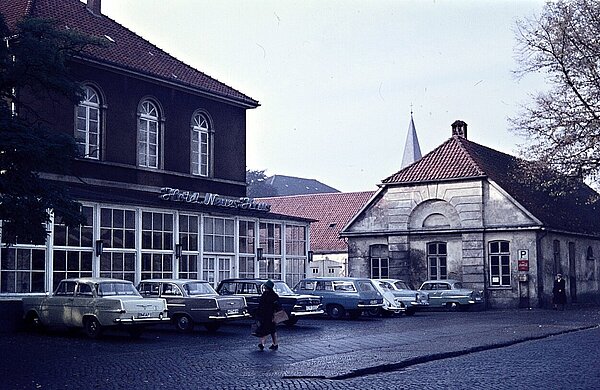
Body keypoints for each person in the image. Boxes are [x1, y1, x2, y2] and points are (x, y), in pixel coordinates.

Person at [254, 279, 280, 351]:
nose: (265, 288)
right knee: (272, 330)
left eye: (265, 287)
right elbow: (277, 306)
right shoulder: (274, 295)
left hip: (268, 315)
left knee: (266, 330)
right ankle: (275, 344)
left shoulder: (266, 295)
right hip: (269, 315)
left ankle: (262, 344)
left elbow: (261, 305)